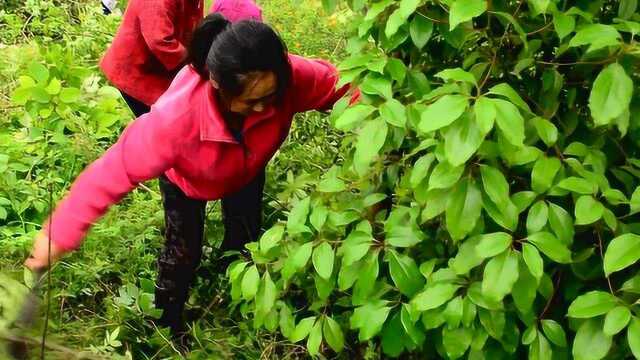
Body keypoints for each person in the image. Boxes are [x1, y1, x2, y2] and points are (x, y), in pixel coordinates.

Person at [25, 13, 357, 342]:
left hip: (247, 169)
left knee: (245, 236)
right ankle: (165, 324)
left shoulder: (290, 76)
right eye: (251, 102)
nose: (263, 109)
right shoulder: (175, 121)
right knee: (183, 252)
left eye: (271, 98)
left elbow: (338, 86)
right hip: (187, 181)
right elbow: (113, 171)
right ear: (218, 85)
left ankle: (238, 294)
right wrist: (59, 234)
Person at [99, 0, 205, 117]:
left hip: (158, 66)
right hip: (136, 71)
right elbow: (159, 40)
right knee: (159, 121)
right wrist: (194, 63)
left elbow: (194, 23)